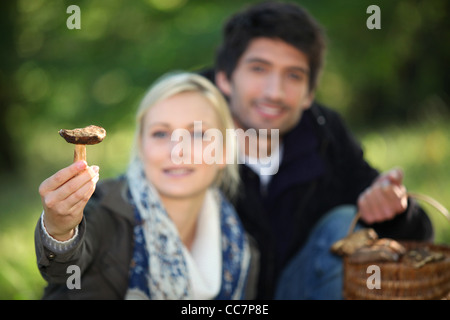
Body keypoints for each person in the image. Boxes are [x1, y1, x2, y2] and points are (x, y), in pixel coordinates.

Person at [201, 1, 433, 299]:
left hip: (300, 289)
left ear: (309, 94)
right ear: (225, 79)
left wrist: (395, 211)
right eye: (259, 69)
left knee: (343, 224)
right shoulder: (184, 127)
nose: (275, 92)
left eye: (294, 75)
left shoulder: (324, 135)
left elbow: (420, 239)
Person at [35, 72, 257, 299]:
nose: (177, 151)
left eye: (197, 134)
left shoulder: (241, 248)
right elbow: (62, 273)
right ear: (141, 146)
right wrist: (60, 231)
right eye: (161, 133)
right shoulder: (100, 208)